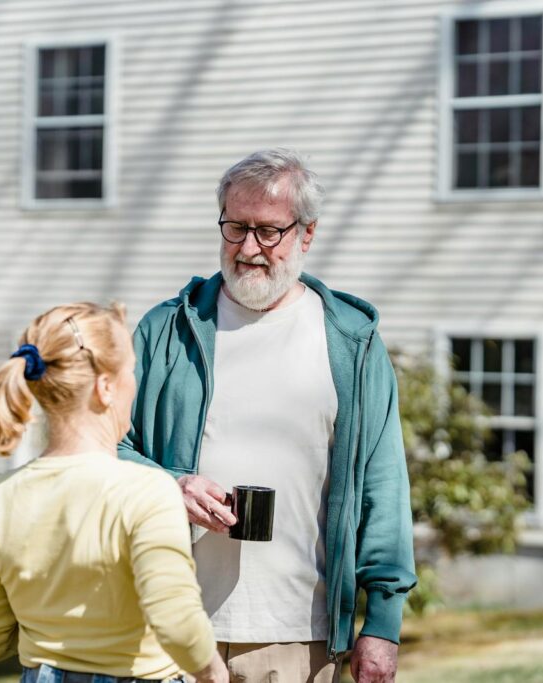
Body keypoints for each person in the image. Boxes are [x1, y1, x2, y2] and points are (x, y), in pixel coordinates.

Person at [117, 149, 418, 683]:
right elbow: (105, 449)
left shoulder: (351, 341)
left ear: (306, 234)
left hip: (298, 634)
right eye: (235, 228)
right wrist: (170, 486)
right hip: (168, 627)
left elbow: (383, 482)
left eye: (268, 231)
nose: (249, 248)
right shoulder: (165, 331)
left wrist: (383, 624)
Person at [0, 302, 229, 683]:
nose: (135, 385)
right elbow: (177, 621)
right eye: (130, 372)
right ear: (106, 388)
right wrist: (215, 675)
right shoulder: (148, 492)